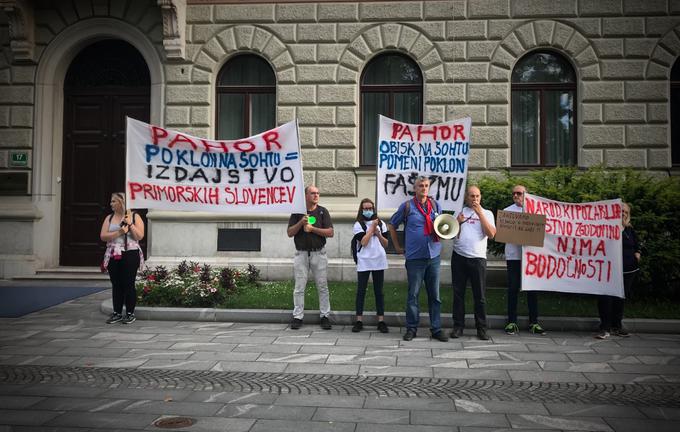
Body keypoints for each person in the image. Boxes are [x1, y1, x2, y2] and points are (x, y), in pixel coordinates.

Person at [388, 176, 448, 342]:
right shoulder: (407, 206)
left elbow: (442, 226)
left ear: (429, 188)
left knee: (435, 296)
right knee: (413, 295)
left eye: (426, 185)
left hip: (433, 256)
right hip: (415, 258)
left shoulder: (435, 206)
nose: (424, 188)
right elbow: (392, 224)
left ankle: (436, 329)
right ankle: (411, 328)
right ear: (415, 188)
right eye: (420, 185)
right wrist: (398, 247)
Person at [451, 185, 496, 341]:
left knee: (480, 296)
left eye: (477, 196)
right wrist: (458, 222)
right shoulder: (460, 212)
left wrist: (480, 214)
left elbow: (491, 234)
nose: (475, 199)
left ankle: (481, 328)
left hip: (477, 259)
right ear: (466, 197)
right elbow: (451, 234)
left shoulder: (488, 213)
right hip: (459, 257)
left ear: (480, 197)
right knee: (458, 294)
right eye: (472, 196)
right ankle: (458, 326)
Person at [287, 185, 334, 330]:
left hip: (318, 254)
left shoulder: (322, 212)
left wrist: (313, 229)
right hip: (301, 254)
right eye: (313, 193)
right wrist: (301, 222)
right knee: (299, 287)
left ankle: (325, 315)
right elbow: (289, 232)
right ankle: (298, 316)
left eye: (318, 193)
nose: (316, 195)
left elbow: (330, 232)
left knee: (322, 286)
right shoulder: (297, 213)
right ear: (306, 195)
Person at [503, 185, 545, 336]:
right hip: (514, 256)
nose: (516, 195)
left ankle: (534, 322)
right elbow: (504, 234)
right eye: (514, 193)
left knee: (532, 289)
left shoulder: (535, 210)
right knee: (513, 288)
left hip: (531, 257)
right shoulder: (507, 212)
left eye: (519, 193)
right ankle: (511, 321)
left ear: (526, 195)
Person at [596, 202, 641, 339]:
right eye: (621, 211)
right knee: (606, 297)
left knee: (620, 298)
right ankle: (605, 327)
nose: (623, 214)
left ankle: (617, 326)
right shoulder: (607, 228)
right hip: (609, 270)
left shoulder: (629, 230)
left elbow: (637, 244)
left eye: (626, 212)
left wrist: (638, 253)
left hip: (628, 270)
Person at [100, 192, 145, 324]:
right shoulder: (109, 218)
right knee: (116, 284)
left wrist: (130, 225)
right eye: (111, 201)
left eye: (114, 201)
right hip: (114, 253)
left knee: (128, 283)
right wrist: (119, 232)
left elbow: (139, 236)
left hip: (130, 253)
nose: (111, 204)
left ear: (121, 202)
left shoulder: (135, 216)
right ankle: (117, 312)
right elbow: (103, 236)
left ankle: (130, 313)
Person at [352, 198, 389, 333]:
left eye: (370, 208)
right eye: (365, 209)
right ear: (361, 210)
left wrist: (378, 232)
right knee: (361, 291)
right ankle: (359, 320)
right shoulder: (358, 225)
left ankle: (381, 320)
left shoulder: (382, 223)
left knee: (379, 291)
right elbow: (363, 242)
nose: (368, 211)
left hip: (379, 260)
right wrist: (371, 229)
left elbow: (386, 244)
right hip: (364, 260)